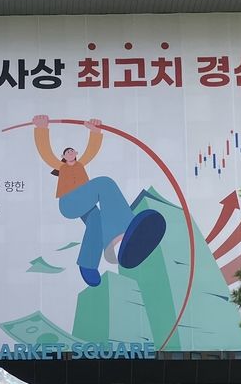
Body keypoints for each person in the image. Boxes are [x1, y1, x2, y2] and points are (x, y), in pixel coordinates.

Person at [32, 114, 166, 287]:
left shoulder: (80, 164)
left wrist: (95, 132)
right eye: (67, 152)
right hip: (69, 202)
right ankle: (125, 228)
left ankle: (106, 254)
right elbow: (47, 154)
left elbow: (90, 152)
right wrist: (42, 129)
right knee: (104, 183)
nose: (71, 152)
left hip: (85, 203)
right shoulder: (61, 167)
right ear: (63, 157)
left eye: (72, 151)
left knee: (96, 222)